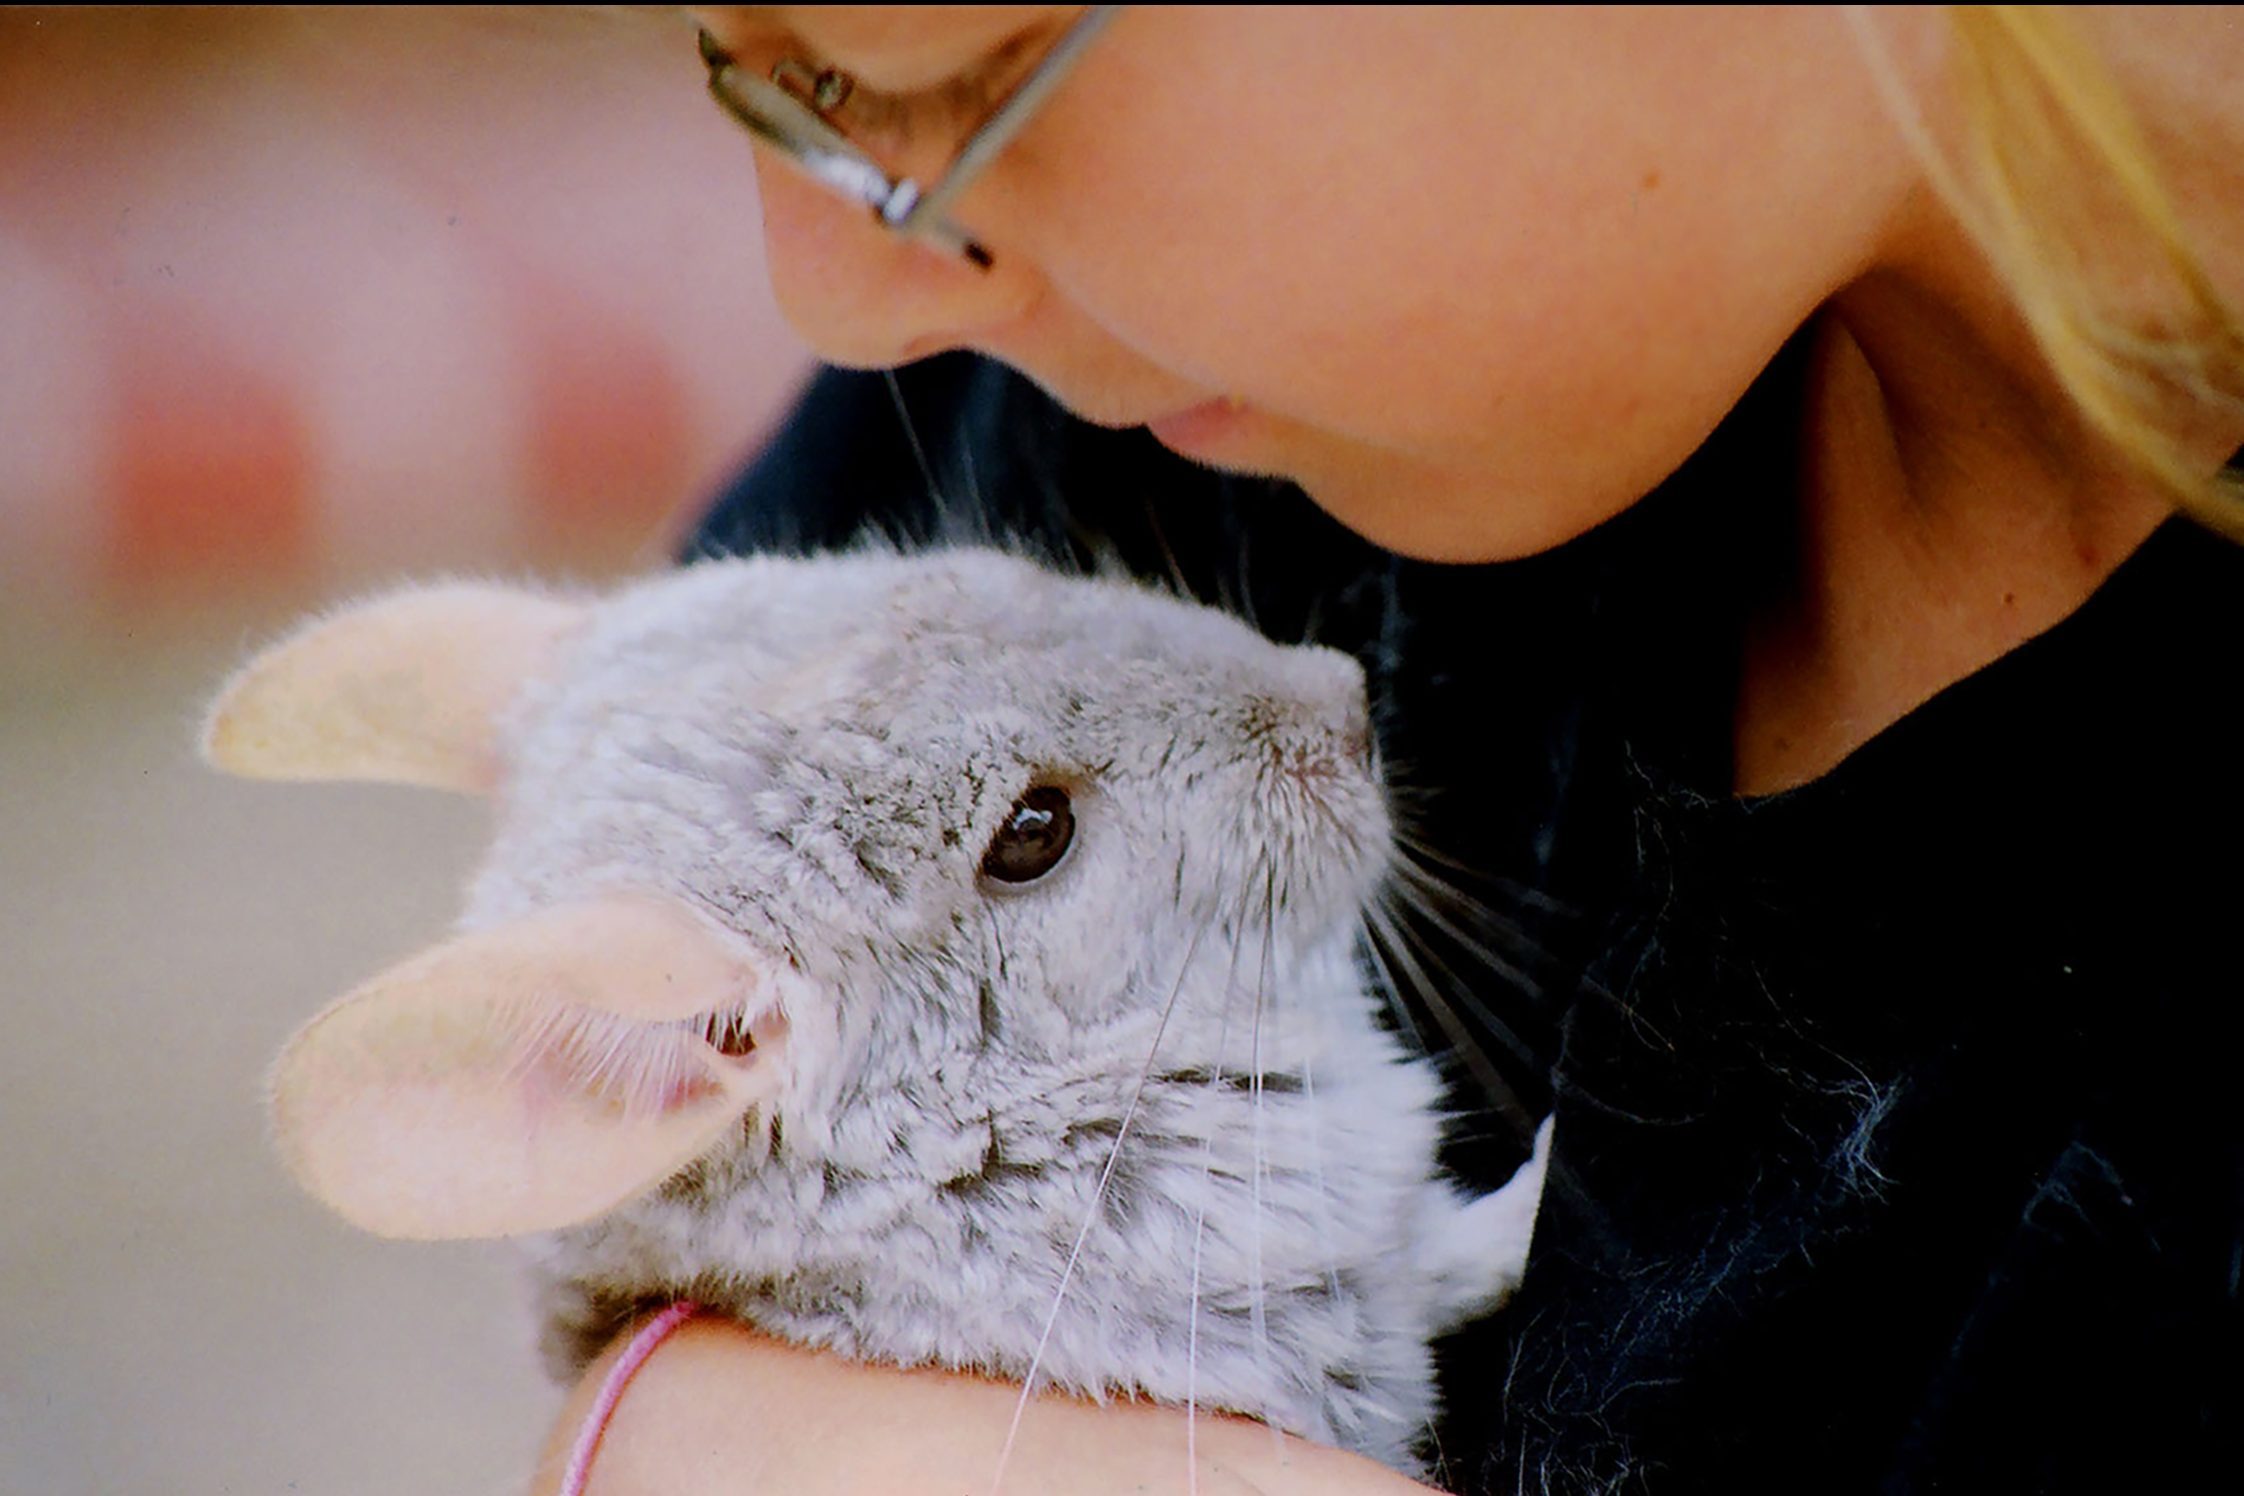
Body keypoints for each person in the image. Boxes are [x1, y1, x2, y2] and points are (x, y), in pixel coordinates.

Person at [532, 7, 2244, 1492]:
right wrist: (685, 1425)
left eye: (968, 68)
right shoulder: (1101, 419)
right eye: (753, 74)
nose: (833, 291)